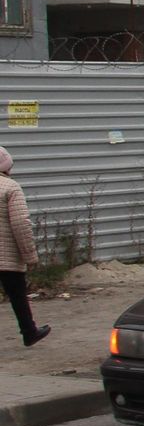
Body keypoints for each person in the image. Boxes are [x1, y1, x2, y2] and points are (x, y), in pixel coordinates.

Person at [0, 146, 50, 347]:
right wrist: (30, 256)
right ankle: (29, 332)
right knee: (17, 296)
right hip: (7, 257)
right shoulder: (10, 188)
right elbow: (21, 225)